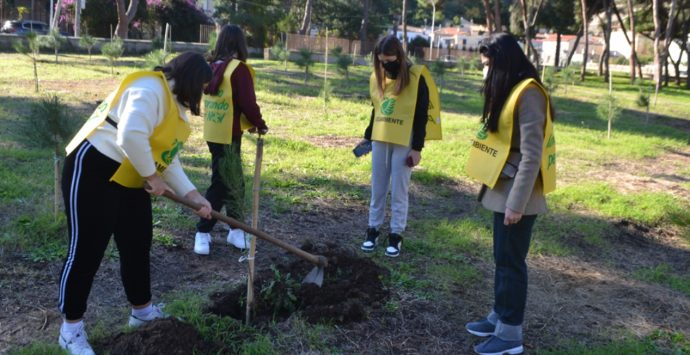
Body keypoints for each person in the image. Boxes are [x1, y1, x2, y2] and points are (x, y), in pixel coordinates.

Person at [58, 52, 213, 355]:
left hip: (132, 175)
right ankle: (71, 330)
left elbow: (167, 159)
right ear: (192, 81)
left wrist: (193, 197)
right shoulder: (150, 89)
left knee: (137, 243)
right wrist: (152, 177)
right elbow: (130, 135)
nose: (203, 94)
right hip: (94, 167)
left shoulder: (174, 109)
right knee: (87, 248)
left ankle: (141, 312)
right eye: (203, 87)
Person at [464, 33, 556, 355]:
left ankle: (510, 335)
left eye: (488, 66)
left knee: (511, 264)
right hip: (503, 190)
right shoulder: (513, 89)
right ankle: (499, 317)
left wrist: (516, 204)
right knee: (502, 260)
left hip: (518, 196)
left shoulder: (530, 94)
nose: (485, 72)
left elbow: (532, 155)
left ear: (505, 63)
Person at [357, 35, 442, 257]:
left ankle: (396, 235)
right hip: (381, 138)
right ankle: (373, 229)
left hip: (405, 141)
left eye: (389, 60)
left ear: (399, 56)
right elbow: (376, 109)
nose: (385, 64)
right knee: (378, 187)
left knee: (399, 190)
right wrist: (367, 137)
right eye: (381, 60)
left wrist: (417, 148)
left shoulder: (416, 76)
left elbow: (422, 114)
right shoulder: (378, 76)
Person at [193, 24, 269, 255]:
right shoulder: (238, 69)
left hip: (213, 131)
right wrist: (260, 123)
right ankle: (203, 232)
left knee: (233, 181)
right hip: (228, 134)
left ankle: (235, 230)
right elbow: (248, 102)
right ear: (240, 44)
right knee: (223, 182)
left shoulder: (211, 66)